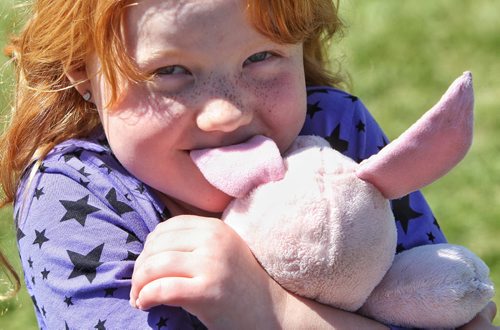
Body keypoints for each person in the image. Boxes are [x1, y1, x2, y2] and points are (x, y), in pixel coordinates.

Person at [0, 0, 496, 328]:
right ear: (85, 74)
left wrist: (273, 312)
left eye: (261, 57)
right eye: (169, 71)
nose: (228, 112)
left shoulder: (336, 129)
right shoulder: (74, 193)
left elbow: (450, 309)